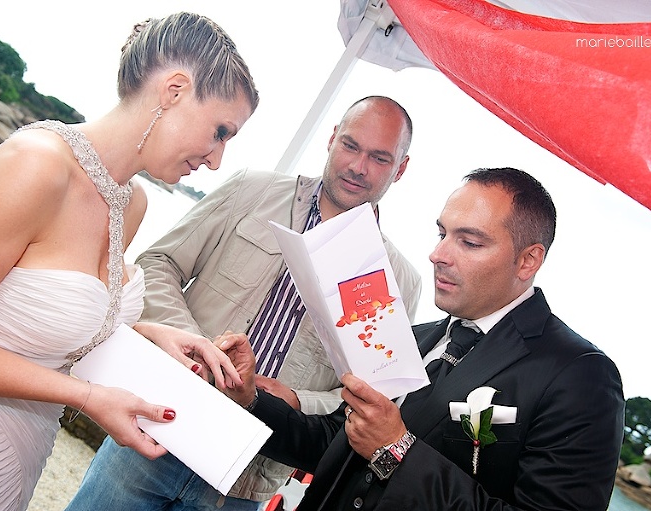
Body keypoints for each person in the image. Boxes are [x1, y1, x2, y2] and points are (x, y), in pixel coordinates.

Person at [0, 12, 259, 511]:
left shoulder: (130, 205)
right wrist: (87, 397)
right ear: (174, 90)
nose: (217, 159)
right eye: (220, 131)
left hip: (20, 457)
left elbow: (55, 318)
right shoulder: (36, 165)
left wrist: (150, 333)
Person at [64, 96, 422, 511]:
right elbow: (158, 264)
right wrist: (196, 346)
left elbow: (375, 398)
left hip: (244, 480)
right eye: (351, 145)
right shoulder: (251, 190)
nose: (358, 166)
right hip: (155, 432)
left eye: (379, 157)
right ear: (331, 139)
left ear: (401, 168)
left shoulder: (398, 281)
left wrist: (297, 401)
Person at [222, 167, 625, 510]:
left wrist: (397, 450)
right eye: (441, 234)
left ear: (528, 260)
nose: (438, 254)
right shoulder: (413, 337)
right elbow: (336, 442)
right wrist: (252, 401)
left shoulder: (580, 375)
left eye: (469, 242)